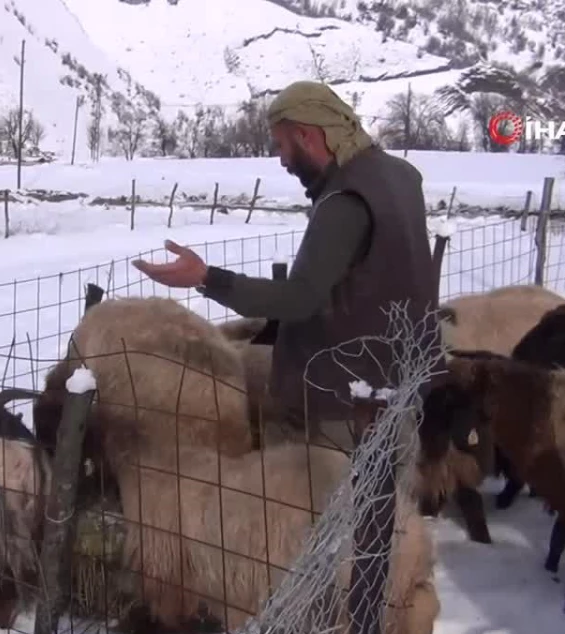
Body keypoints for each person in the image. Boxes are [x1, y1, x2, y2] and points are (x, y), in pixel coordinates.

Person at [132, 80, 440, 450]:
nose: (281, 160)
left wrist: (206, 277)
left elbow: (299, 298)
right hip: (400, 379)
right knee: (385, 499)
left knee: (326, 502)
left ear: (306, 135)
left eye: (281, 145)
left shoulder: (346, 198)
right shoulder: (400, 175)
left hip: (343, 402)